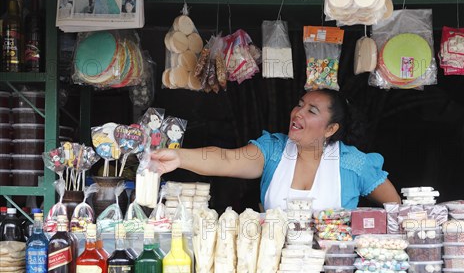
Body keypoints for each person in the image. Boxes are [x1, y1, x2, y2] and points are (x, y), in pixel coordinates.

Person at [151, 89, 401, 210]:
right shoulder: (273, 150)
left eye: (311, 111)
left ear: (330, 129)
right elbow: (226, 159)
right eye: (299, 105)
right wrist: (178, 157)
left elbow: (394, 207)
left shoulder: (352, 163)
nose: (298, 113)